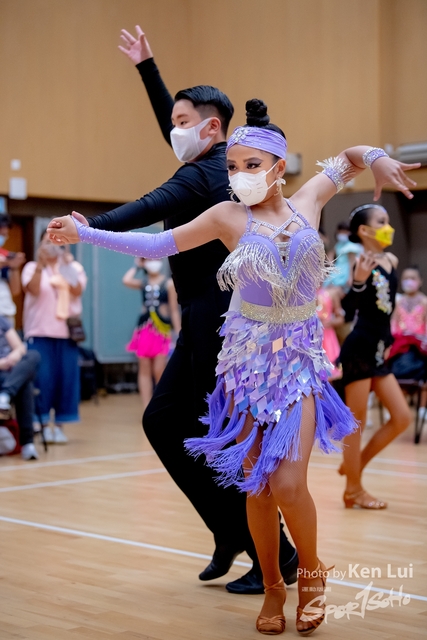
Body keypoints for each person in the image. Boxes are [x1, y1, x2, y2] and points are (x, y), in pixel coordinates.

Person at [47, 97, 419, 635]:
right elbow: (158, 243)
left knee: (288, 483)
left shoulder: (310, 200)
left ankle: (311, 576)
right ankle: (272, 586)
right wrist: (87, 233)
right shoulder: (228, 216)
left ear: (278, 166)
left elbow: (351, 156)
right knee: (257, 486)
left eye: (251, 165)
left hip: (297, 368)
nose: (240, 174)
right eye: (233, 166)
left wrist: (379, 158)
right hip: (245, 369)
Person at [48, 26, 298, 594]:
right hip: (206, 317)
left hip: (219, 319)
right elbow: (179, 121)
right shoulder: (218, 164)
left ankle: (275, 555)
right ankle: (231, 531)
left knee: (220, 434)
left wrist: (90, 227)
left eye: (184, 122)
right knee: (168, 423)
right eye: (175, 122)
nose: (174, 130)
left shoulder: (200, 174)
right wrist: (147, 66)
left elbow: (148, 207)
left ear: (211, 128)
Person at [338, 204, 413, 509]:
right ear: (365, 230)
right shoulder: (359, 261)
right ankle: (353, 490)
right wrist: (358, 280)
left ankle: (354, 466)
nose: (388, 227)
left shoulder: (391, 260)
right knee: (356, 422)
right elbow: (348, 309)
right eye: (382, 222)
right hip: (360, 348)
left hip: (380, 349)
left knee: (402, 417)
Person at [21, 232, 87, 444]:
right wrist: (41, 263)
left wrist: (66, 263)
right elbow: (32, 289)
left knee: (66, 381)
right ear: (40, 245)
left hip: (67, 335)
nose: (51, 246)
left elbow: (77, 290)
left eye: (56, 242)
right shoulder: (32, 267)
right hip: (39, 332)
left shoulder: (73, 267)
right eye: (47, 242)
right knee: (42, 379)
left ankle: (58, 426)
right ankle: (39, 424)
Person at [123, 258, 180, 410]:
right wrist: (137, 266)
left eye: (155, 258)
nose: (153, 262)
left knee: (159, 369)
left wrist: (179, 331)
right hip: (144, 329)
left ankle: (160, 406)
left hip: (161, 330)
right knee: (144, 368)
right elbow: (126, 280)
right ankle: (146, 407)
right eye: (148, 259)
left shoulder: (168, 283)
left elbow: (174, 310)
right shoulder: (143, 282)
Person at [388, 266, 427, 419]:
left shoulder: (424, 302)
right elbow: (393, 324)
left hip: (420, 348)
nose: (408, 281)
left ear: (420, 281)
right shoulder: (398, 302)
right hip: (401, 347)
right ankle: (397, 409)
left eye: (412, 278)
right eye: (405, 278)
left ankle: (422, 409)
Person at [0, 317, 41, 460]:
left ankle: (5, 395)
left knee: (34, 355)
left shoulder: (2, 321)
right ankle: (27, 443)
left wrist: (14, 356)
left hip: (12, 370)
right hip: (4, 370)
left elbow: (20, 347)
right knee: (25, 384)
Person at [0, 213, 26, 325]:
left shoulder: (5, 255)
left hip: (5, 312)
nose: (3, 238)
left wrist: (14, 266)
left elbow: (15, 290)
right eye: (1, 234)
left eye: (5, 235)